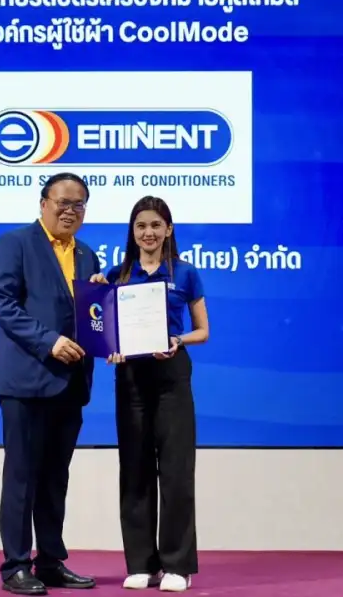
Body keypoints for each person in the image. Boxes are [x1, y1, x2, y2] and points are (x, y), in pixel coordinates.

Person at [0, 173, 101, 596]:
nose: (71, 211)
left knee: (55, 479)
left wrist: (107, 321)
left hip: (71, 385)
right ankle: (15, 566)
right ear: (43, 203)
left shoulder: (87, 256)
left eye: (79, 204)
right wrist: (48, 341)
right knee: (23, 477)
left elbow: (91, 319)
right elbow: (1, 302)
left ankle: (50, 561)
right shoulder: (15, 243)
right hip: (25, 382)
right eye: (63, 202)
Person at [90, 196, 210, 593]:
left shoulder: (185, 273)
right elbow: (102, 329)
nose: (149, 232)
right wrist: (103, 327)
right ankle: (142, 563)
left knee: (176, 472)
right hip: (131, 378)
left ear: (168, 230)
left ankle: (177, 565)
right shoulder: (118, 274)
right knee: (135, 470)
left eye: (156, 225)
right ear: (133, 231)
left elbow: (203, 331)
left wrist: (178, 340)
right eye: (141, 225)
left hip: (172, 375)